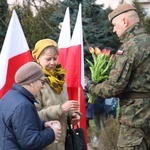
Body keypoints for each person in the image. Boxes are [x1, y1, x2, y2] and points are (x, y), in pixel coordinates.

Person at [86, 3, 150, 150]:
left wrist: (91, 87)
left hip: (135, 123)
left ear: (125, 22)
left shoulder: (129, 47)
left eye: (115, 25)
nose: (114, 30)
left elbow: (113, 88)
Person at [32, 38, 82, 150]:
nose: (53, 63)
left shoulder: (60, 80)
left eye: (55, 58)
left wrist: (72, 115)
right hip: (45, 142)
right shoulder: (34, 82)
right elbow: (33, 115)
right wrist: (61, 109)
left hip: (62, 140)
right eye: (48, 59)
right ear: (38, 59)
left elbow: (63, 107)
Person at [0, 62, 61, 150]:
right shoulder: (23, 105)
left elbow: (19, 126)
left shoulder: (9, 96)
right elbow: (31, 142)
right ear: (31, 82)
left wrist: (44, 125)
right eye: (42, 82)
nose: (42, 86)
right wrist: (52, 132)